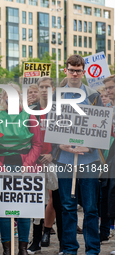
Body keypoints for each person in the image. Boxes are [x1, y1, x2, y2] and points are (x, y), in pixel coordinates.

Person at [52, 54, 103, 255]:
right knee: (67, 206)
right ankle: (70, 248)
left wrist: (89, 147)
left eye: (78, 70)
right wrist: (60, 144)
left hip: (88, 159)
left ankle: (92, 249)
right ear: (66, 70)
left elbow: (101, 128)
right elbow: (50, 124)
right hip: (64, 159)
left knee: (90, 207)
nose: (74, 73)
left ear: (83, 71)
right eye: (71, 70)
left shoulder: (93, 96)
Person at [0, 83, 42, 255]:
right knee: (4, 211)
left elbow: (37, 144)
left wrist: (27, 164)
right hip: (2, 166)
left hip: (26, 166)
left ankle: (23, 248)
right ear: (3, 97)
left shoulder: (30, 117)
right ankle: (7, 249)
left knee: (25, 210)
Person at [27, 77, 62, 254]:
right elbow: (25, 136)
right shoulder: (31, 110)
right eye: (41, 87)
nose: (44, 90)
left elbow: (65, 135)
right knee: (37, 202)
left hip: (55, 160)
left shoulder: (59, 111)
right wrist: (34, 155)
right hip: (35, 161)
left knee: (57, 201)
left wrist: (52, 154)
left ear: (53, 89)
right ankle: (37, 241)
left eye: (47, 87)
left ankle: (63, 241)